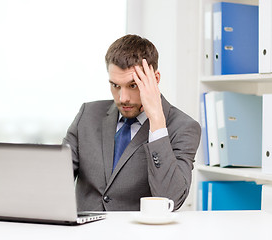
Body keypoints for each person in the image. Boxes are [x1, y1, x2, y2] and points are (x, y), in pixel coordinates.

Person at [63, 34, 201, 211]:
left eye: (133, 85)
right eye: (115, 86)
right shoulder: (87, 115)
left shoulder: (183, 127)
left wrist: (157, 122)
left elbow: (171, 199)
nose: (123, 98)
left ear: (155, 79)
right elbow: (56, 180)